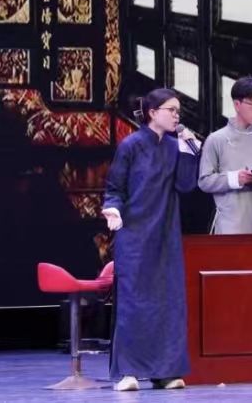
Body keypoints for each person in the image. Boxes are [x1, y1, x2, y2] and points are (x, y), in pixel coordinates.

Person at [101, 88, 200, 391]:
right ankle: (128, 372)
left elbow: (186, 185)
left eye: (178, 111)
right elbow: (114, 187)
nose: (176, 116)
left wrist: (190, 151)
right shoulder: (130, 145)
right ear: (152, 113)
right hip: (134, 234)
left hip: (165, 233)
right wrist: (113, 209)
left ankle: (166, 371)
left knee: (168, 303)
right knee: (134, 302)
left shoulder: (174, 146)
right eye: (171, 110)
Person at [199, 77, 252, 234]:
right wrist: (236, 178)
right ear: (237, 104)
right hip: (231, 227)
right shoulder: (216, 139)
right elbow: (204, 181)